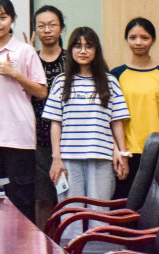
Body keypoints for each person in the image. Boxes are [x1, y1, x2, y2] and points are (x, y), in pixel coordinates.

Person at [43, 27, 130, 241]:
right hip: (68, 159)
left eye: (88, 46)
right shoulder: (61, 81)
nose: (83, 51)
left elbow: (116, 121)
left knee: (99, 215)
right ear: (70, 49)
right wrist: (56, 158)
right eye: (78, 46)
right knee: (69, 215)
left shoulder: (110, 81)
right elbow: (56, 123)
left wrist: (122, 153)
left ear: (96, 50)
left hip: (101, 158)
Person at [0, 0, 47, 223]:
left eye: (3, 17)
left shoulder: (25, 51)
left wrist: (15, 74)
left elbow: (41, 91)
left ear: (12, 19)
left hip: (19, 137)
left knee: (21, 201)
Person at [110, 17, 159, 199]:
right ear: (126, 40)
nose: (138, 42)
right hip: (126, 152)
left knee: (155, 206)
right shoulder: (116, 74)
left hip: (156, 151)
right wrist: (117, 151)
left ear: (153, 40)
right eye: (133, 37)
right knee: (124, 205)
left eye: (144, 37)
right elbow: (109, 117)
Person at [28, 5, 68, 228]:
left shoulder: (72, 60)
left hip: (70, 141)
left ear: (62, 28)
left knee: (68, 199)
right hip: (37, 140)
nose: (47, 30)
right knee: (42, 199)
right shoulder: (30, 59)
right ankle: (44, 242)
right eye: (41, 26)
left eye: (52, 25)